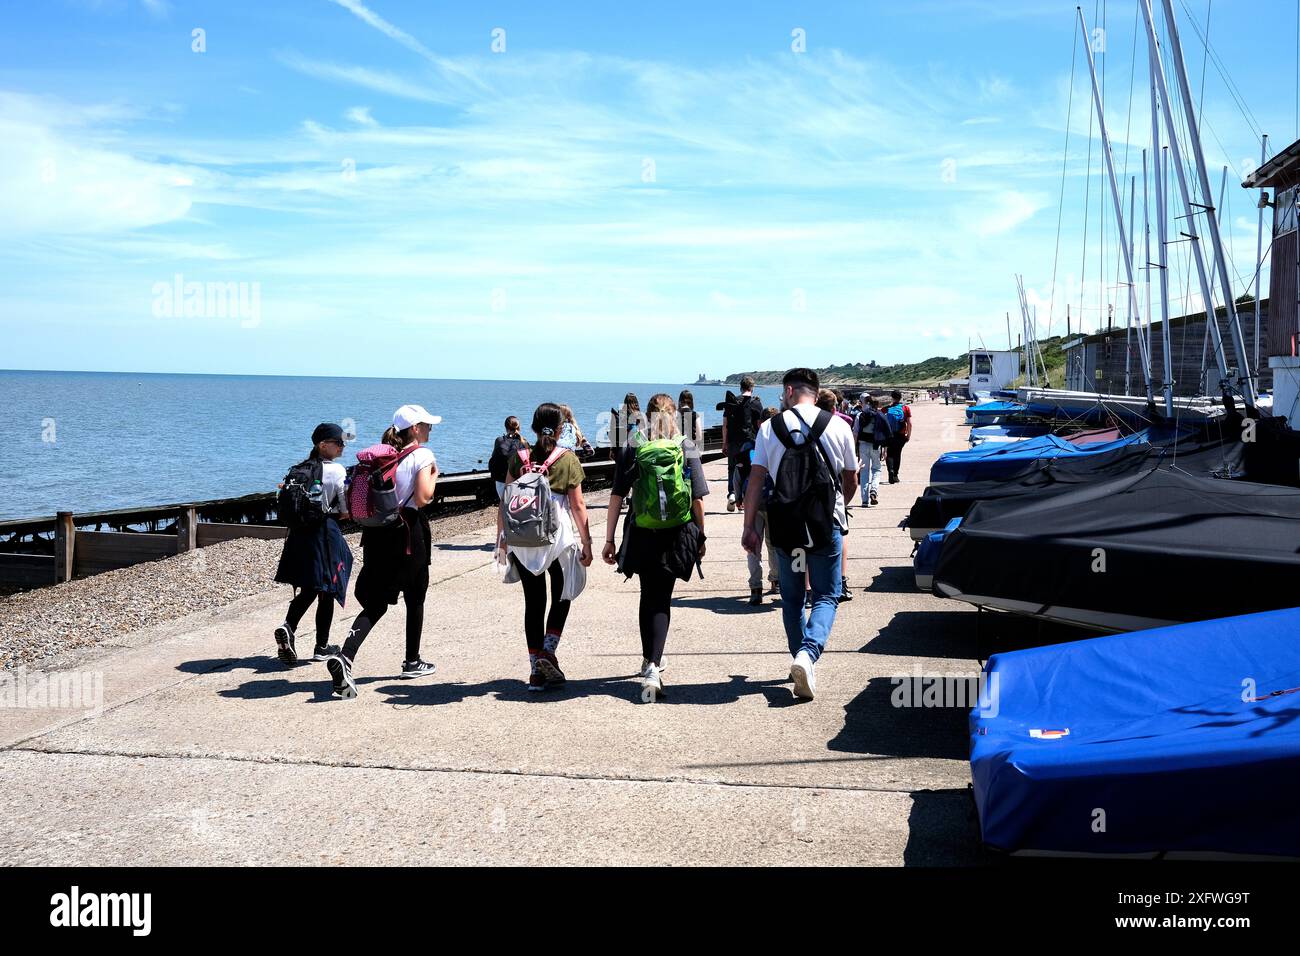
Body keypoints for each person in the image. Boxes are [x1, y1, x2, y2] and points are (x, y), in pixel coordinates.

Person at [741, 368, 857, 701]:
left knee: (792, 600)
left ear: (790, 390)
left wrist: (749, 526)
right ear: (815, 391)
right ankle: (808, 655)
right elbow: (850, 479)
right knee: (825, 596)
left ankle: (799, 657)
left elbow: (756, 480)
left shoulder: (768, 428)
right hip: (824, 527)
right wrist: (839, 506)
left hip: (787, 529)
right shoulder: (839, 425)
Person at [325, 405, 441, 699]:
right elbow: (425, 497)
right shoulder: (422, 455)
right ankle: (409, 661)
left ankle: (348, 655)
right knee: (416, 595)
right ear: (414, 428)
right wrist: (434, 474)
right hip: (408, 532)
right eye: (427, 425)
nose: (430, 429)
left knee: (377, 602)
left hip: (376, 534)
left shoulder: (385, 456)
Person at [602, 394, 707, 700]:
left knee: (648, 596)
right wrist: (701, 536)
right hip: (677, 531)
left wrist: (609, 540)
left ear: (647, 416)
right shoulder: (685, 444)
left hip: (643, 530)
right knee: (663, 598)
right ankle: (654, 665)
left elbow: (617, 495)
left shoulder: (633, 443)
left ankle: (649, 661)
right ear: (675, 415)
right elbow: (697, 498)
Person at [497, 403, 594, 692]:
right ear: (562, 428)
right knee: (563, 594)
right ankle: (547, 652)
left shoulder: (519, 457)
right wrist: (587, 542)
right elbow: (577, 505)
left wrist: (502, 540)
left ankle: (535, 672)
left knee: (533, 603)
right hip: (558, 540)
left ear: (534, 427)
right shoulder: (567, 460)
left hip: (524, 540)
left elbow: (505, 500)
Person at [273, 422, 353, 664]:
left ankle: (289, 627)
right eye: (338, 442)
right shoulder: (337, 471)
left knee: (310, 585)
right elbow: (345, 510)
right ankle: (321, 646)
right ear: (323, 445)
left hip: (300, 534)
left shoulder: (299, 469)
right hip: (324, 531)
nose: (342, 446)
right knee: (327, 587)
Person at [816, 389, 853, 602]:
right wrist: (844, 501)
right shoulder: (842, 424)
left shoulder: (801, 425)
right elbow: (851, 474)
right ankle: (842, 582)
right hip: (834, 491)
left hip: (807, 493)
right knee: (840, 535)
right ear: (834, 407)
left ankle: (810, 587)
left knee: (809, 542)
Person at [745, 406, 781, 605]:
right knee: (774, 545)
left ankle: (755, 588)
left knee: (753, 546)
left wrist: (738, 494)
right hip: (776, 502)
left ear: (759, 423)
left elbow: (739, 474)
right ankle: (776, 580)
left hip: (755, 502)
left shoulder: (749, 445)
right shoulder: (783, 444)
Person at [722, 376, 762, 512]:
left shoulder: (732, 402)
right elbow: (760, 425)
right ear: (752, 387)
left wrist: (724, 443)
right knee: (748, 470)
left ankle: (732, 494)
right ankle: (744, 497)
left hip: (733, 440)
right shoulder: (756, 404)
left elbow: (725, 425)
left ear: (740, 387)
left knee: (732, 468)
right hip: (750, 441)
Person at [856, 396, 890, 507]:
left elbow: (856, 433)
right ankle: (874, 490)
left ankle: (864, 500)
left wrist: (854, 448)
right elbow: (888, 433)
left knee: (864, 471)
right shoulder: (881, 415)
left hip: (862, 444)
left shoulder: (861, 414)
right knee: (876, 469)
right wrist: (885, 449)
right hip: (876, 445)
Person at [488, 416, 529, 502]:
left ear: (506, 427)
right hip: (517, 481)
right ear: (518, 427)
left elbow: (493, 459)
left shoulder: (499, 441)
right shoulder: (523, 443)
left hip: (501, 480)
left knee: (505, 505)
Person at [884, 389, 913, 483]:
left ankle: (890, 471)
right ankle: (895, 475)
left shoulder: (887, 408)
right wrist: (908, 435)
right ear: (900, 398)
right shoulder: (905, 408)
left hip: (889, 435)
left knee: (889, 454)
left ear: (892, 398)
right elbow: (909, 423)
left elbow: (880, 417)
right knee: (897, 454)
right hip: (900, 435)